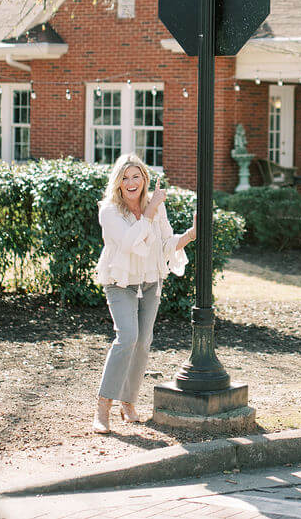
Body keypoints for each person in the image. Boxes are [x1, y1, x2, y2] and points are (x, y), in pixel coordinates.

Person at [92, 153, 196, 433]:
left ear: (144, 179)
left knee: (143, 342)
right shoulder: (110, 211)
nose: (131, 182)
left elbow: (164, 245)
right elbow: (129, 243)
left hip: (150, 282)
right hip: (120, 282)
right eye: (125, 177)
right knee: (127, 337)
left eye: (136, 176)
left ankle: (129, 402)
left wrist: (190, 234)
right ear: (117, 182)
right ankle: (103, 407)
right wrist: (150, 212)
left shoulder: (155, 207)